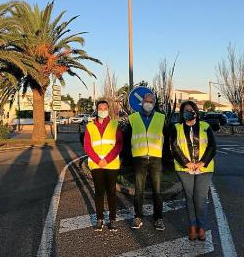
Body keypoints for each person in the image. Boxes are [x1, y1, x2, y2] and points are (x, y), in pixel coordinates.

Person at [170, 100, 216, 241]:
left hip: (204, 168)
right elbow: (174, 147)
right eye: (185, 110)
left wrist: (202, 162)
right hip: (184, 169)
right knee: (189, 198)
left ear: (196, 111)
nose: (188, 112)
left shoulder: (205, 126)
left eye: (190, 110)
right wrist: (186, 163)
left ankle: (201, 227)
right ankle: (192, 226)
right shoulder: (176, 128)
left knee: (200, 198)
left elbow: (212, 147)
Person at [128, 92, 166, 231]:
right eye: (146, 101)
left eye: (151, 101)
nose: (148, 103)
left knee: (157, 191)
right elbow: (128, 139)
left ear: (154, 103)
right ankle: (138, 217)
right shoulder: (133, 118)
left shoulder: (161, 118)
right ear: (142, 102)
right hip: (139, 158)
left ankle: (159, 218)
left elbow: (165, 138)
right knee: (139, 191)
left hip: (156, 159)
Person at [83, 100, 123, 232]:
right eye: (100, 108)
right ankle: (99, 219)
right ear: (97, 110)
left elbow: (119, 144)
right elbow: (87, 146)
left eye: (105, 108)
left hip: (111, 164)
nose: (103, 110)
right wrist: (98, 160)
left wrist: (106, 160)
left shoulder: (114, 124)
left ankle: (112, 219)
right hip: (96, 164)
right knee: (99, 192)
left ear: (108, 110)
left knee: (111, 192)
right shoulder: (90, 126)